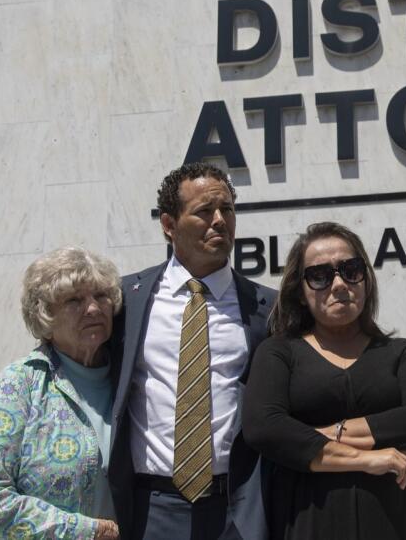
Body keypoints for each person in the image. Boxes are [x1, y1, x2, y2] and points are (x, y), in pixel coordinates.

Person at [108, 163, 278, 540]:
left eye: (228, 209)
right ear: (169, 225)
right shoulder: (125, 301)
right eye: (204, 211)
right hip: (151, 511)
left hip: (237, 512)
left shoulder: (268, 308)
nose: (220, 220)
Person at [243, 221, 406, 540]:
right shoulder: (279, 353)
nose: (338, 284)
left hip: (394, 523)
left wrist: (317, 436)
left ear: (366, 278)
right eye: (319, 275)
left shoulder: (400, 353)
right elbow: (264, 428)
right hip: (308, 523)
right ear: (301, 291)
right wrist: (371, 458)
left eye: (350, 269)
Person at [0, 246, 123, 540]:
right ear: (46, 316)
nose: (94, 308)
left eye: (101, 296)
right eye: (74, 300)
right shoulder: (21, 383)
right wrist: (88, 532)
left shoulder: (129, 381)